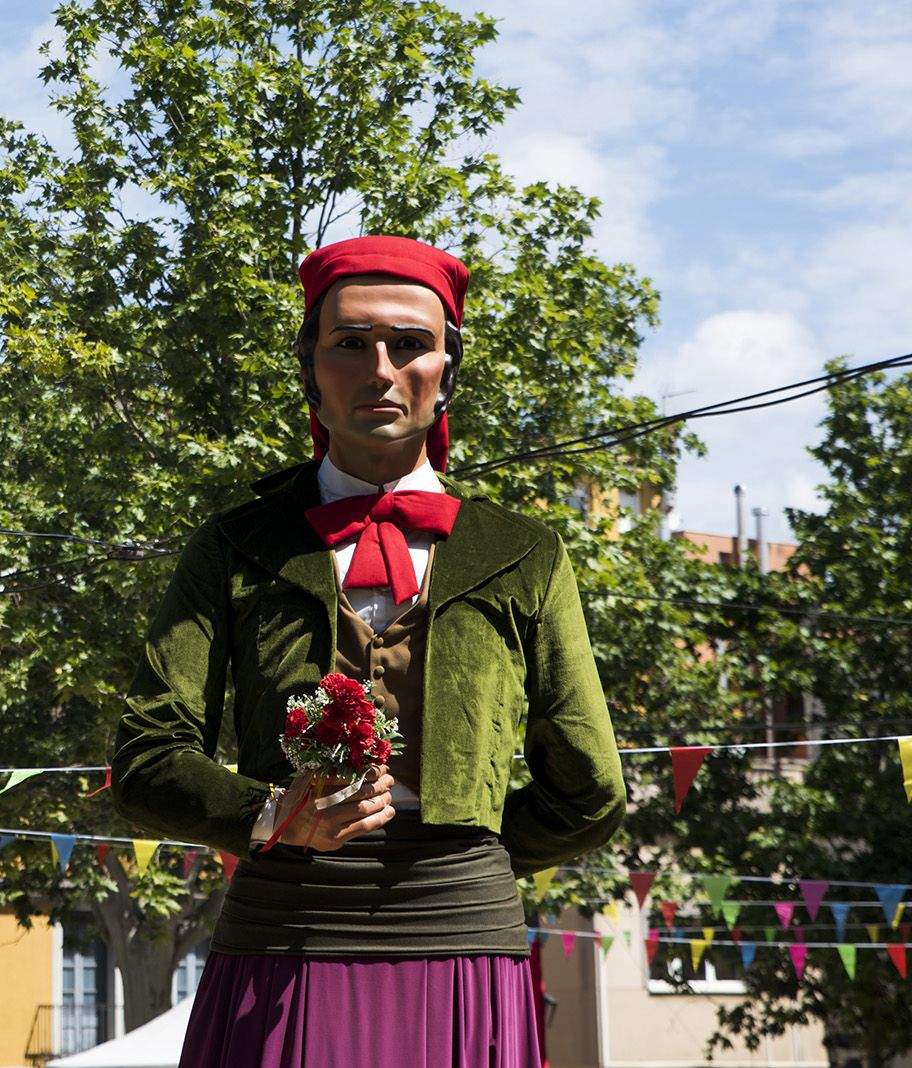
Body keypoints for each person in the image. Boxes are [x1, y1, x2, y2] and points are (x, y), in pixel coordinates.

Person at [111, 235, 626, 1066]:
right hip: (282, 937)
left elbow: (591, 789)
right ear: (310, 366)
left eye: (410, 344)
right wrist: (273, 818)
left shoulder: (526, 553)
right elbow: (145, 757)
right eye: (350, 343)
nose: (380, 369)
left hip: (462, 945)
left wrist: (466, 863)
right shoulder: (236, 545)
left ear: (447, 369)